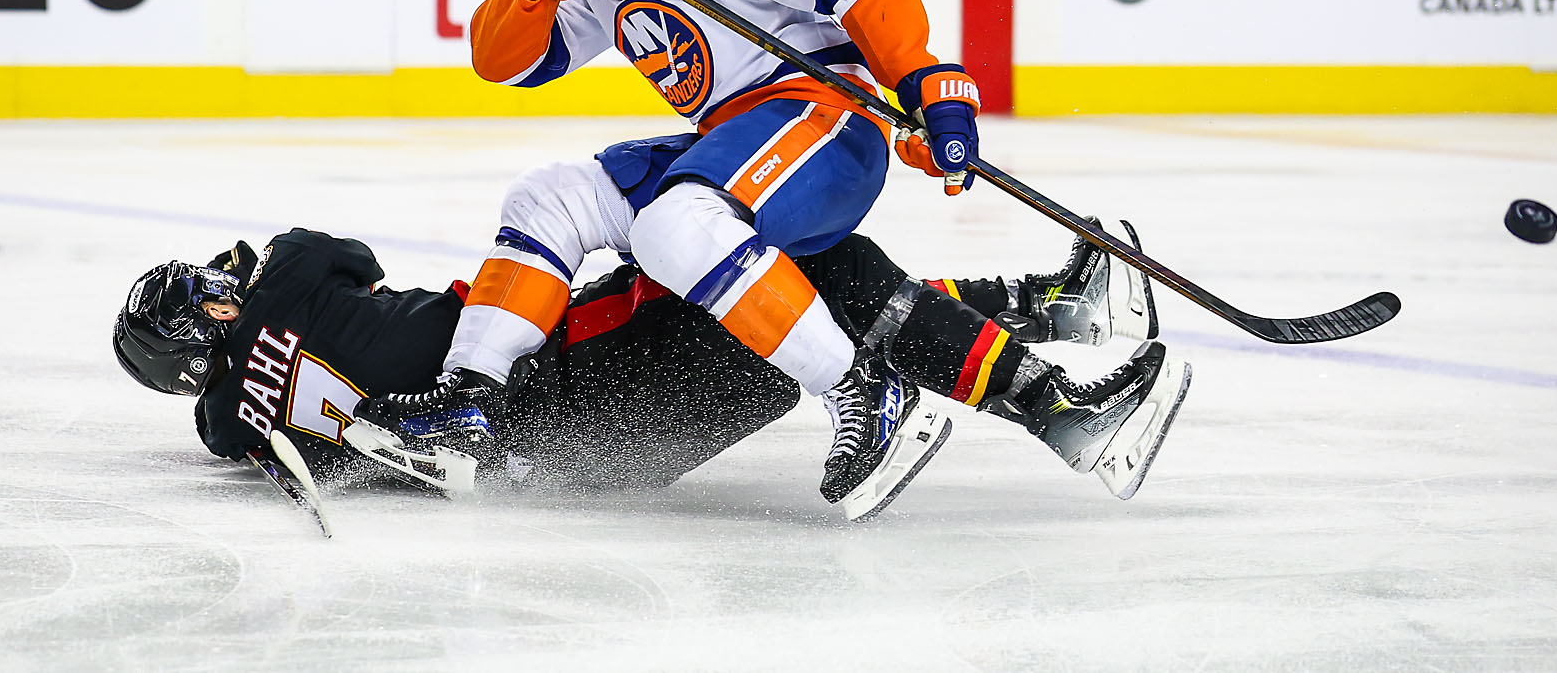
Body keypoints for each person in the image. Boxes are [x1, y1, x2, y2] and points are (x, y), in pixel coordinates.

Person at [415, 0, 991, 512]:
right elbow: (503, 63)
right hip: (735, 139)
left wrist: (919, 81)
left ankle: (861, 388)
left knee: (675, 225)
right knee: (550, 198)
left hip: (822, 115)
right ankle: (468, 403)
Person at [115, 220, 1186, 510]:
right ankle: (1056, 382)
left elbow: (253, 429)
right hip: (565, 377)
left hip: (594, 457)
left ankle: (1049, 311)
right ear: (197, 325)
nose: (222, 281)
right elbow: (351, 261)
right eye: (204, 292)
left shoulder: (226, 426)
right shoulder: (291, 270)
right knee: (800, 266)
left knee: (813, 293)